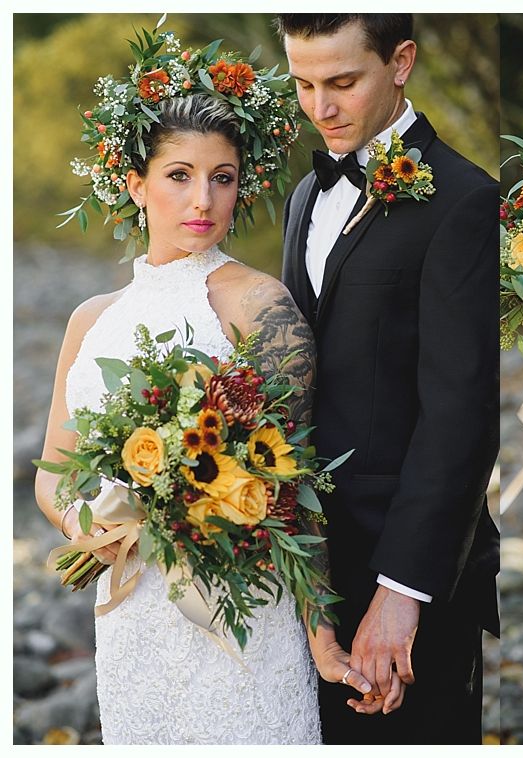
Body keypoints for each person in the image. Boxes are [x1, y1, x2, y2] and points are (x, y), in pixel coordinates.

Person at [35, 35, 372, 743]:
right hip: (131, 618)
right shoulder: (91, 321)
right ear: (136, 185)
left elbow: (298, 485)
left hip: (246, 611)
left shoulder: (259, 305)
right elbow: (51, 477)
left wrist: (321, 636)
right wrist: (87, 531)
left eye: (223, 177)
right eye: (180, 175)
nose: (204, 198)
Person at [276, 13, 499, 744]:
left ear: (401, 62)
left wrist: (401, 594)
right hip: (306, 569)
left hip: (407, 571)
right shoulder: (304, 197)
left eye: (342, 82)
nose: (321, 107)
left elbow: (462, 418)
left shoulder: (466, 202)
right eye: (304, 83)